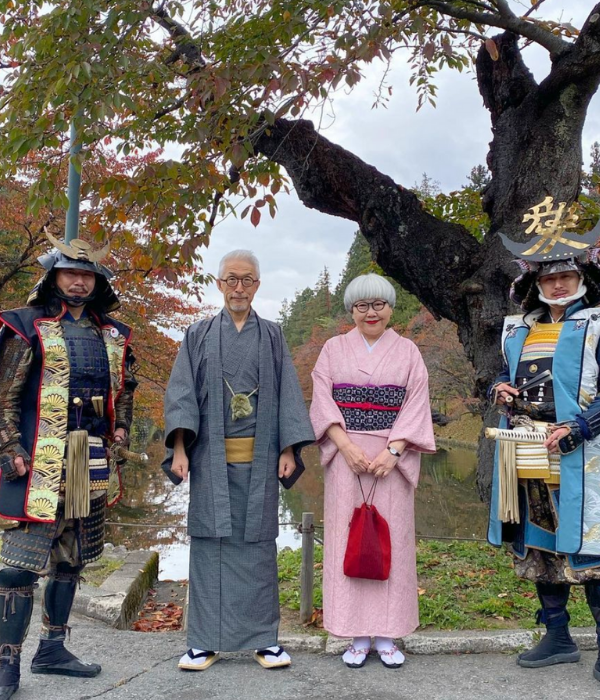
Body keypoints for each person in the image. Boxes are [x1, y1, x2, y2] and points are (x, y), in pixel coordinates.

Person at [0, 232, 137, 699]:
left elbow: (125, 391)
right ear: (54, 275)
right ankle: (6, 661)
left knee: (70, 557)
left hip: (89, 455)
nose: (79, 282)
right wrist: (8, 447)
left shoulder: (113, 334)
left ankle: (53, 649)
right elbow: (3, 396)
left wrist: (121, 431)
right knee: (16, 566)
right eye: (71, 273)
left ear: (97, 282)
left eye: (87, 275)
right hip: (37, 456)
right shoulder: (24, 325)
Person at [163, 249, 314, 671]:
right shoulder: (198, 335)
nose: (239, 287)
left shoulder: (272, 336)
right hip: (210, 459)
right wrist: (178, 447)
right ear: (219, 284)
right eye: (231, 279)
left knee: (259, 545)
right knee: (210, 545)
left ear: (258, 285)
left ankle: (265, 641)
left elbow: (288, 393)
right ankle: (203, 642)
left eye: (247, 279)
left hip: (262, 459)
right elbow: (181, 394)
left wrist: (288, 448)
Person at [488, 197, 600, 681]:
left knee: (592, 548)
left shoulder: (597, 324)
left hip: (584, 453)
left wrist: (580, 428)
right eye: (548, 277)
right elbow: (502, 375)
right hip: (526, 448)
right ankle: (557, 634)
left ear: (580, 279)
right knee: (539, 545)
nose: (557, 283)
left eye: (566, 276)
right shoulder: (517, 330)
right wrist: (498, 388)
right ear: (534, 283)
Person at [309, 273, 435, 669]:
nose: (370, 313)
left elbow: (416, 403)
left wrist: (394, 450)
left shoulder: (409, 352)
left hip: (391, 461)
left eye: (378, 304)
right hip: (346, 459)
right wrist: (344, 446)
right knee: (348, 540)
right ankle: (356, 635)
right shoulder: (332, 349)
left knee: (390, 540)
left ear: (390, 308)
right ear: (352, 311)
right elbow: (322, 401)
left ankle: (387, 633)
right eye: (361, 306)